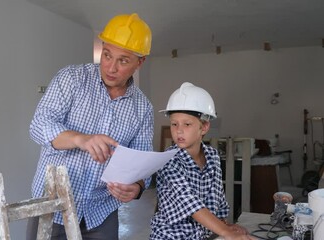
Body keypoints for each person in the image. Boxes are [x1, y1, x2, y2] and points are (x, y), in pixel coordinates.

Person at [27, 13, 153, 240]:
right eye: (107, 55)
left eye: (123, 60)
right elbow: (39, 125)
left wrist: (137, 187)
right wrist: (81, 139)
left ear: (140, 61)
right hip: (51, 207)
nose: (111, 67)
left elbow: (141, 163)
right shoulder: (71, 79)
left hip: (101, 214)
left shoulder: (143, 108)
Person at [150, 82, 256, 240]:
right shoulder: (169, 161)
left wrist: (225, 226)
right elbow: (190, 204)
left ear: (204, 127)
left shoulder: (212, 157)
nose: (178, 130)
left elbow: (217, 198)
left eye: (187, 124)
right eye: (174, 124)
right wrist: (225, 232)